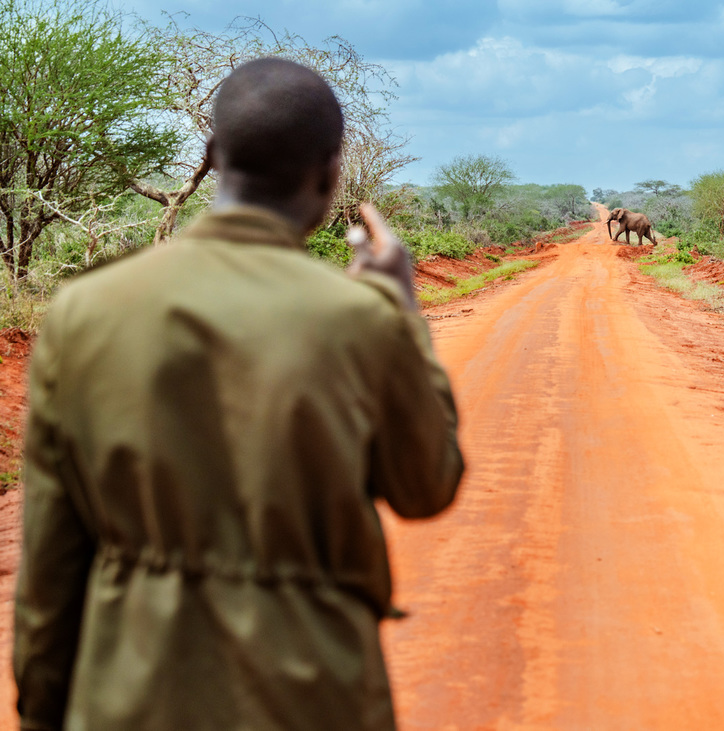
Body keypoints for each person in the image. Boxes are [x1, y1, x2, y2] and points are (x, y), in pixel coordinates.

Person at [13, 58, 464, 730]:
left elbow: (50, 561)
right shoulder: (359, 319)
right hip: (315, 696)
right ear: (331, 172)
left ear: (212, 156)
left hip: (128, 697)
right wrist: (402, 309)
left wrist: (45, 708)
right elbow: (427, 484)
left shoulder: (84, 312)